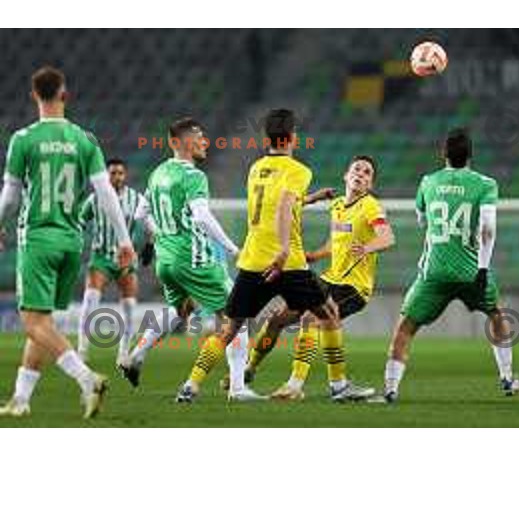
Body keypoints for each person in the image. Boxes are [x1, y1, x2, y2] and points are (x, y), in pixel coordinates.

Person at [175, 108, 338, 403]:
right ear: (291, 137)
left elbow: (273, 205)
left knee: (230, 327)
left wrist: (312, 198)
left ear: (268, 138)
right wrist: (284, 250)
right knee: (326, 314)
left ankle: (191, 385)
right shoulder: (299, 171)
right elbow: (284, 207)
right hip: (287, 262)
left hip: (253, 260)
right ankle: (337, 385)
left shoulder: (256, 168)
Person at [0, 66, 134, 419]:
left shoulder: (24, 139)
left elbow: (11, 195)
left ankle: (87, 378)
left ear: (34, 96)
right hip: (72, 242)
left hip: (39, 239)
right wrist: (124, 240)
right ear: (65, 95)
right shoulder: (84, 139)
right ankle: (21, 399)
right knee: (43, 322)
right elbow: (105, 193)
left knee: (33, 323)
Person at [377, 128, 519, 403]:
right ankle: (507, 378)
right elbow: (488, 229)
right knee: (496, 314)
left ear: (443, 154)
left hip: (433, 272)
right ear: (471, 155)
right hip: (472, 270)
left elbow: (422, 220)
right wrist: (482, 269)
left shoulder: (427, 182)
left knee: (405, 328)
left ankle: (390, 388)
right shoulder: (485, 184)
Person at [121, 117, 263, 401]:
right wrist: (234, 249)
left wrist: (156, 238)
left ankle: (136, 355)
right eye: (199, 137)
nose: (205, 142)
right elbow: (202, 216)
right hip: (194, 259)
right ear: (183, 142)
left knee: (182, 309)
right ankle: (237, 388)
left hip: (166, 261)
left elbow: (139, 216)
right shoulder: (193, 175)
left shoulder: (158, 173)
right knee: (237, 317)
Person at [243, 155, 395, 401]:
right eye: (356, 169)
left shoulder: (370, 206)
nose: (361, 174)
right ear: (346, 176)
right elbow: (335, 244)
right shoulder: (336, 206)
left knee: (311, 318)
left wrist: (368, 248)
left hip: (354, 287)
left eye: (367, 173)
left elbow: (387, 238)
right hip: (329, 279)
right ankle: (248, 369)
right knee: (276, 319)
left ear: (370, 184)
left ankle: (295, 385)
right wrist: (314, 255)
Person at [77, 158, 151, 366]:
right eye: (112, 173)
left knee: (129, 307)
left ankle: (123, 354)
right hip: (100, 257)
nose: (116, 176)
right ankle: (82, 350)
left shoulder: (135, 198)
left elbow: (146, 221)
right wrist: (76, 243)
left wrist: (150, 242)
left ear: (125, 175)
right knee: (90, 301)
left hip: (125, 260)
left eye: (120, 173)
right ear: (106, 175)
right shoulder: (95, 199)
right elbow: (80, 222)